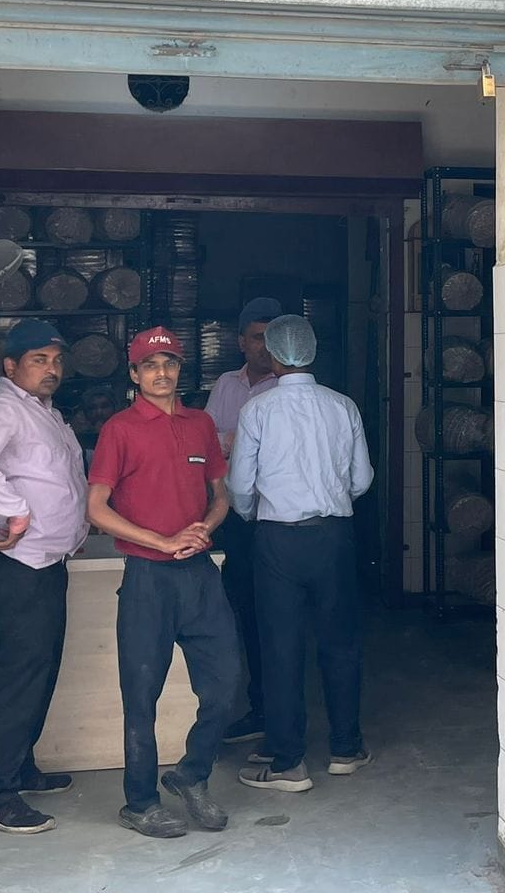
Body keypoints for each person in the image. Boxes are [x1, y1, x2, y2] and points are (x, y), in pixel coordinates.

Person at [87, 326, 241, 839]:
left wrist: (204, 528)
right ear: (134, 374)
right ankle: (140, 802)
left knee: (225, 684)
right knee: (141, 694)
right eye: (150, 365)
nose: (161, 373)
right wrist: (160, 540)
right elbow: (96, 508)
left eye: (169, 363)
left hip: (199, 575)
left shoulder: (201, 424)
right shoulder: (120, 429)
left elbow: (222, 495)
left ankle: (191, 774)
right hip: (147, 578)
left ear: (179, 370)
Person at [227, 314, 375, 793]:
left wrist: (253, 514)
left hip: (278, 540)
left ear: (272, 357)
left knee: (280, 646)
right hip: (333, 536)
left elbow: (239, 485)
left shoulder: (257, 410)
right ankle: (346, 748)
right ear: (312, 353)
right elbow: (361, 479)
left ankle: (288, 760)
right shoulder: (343, 406)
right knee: (340, 642)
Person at [0, 319, 88, 835]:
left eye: (56, 360)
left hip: (49, 562)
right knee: (18, 677)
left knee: (41, 670)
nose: (51, 369)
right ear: (10, 366)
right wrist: (14, 510)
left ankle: (20, 766)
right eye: (39, 360)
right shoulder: (3, 409)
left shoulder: (44, 412)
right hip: (21, 566)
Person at [203, 296, 283, 745]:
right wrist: (238, 439)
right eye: (256, 338)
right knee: (241, 613)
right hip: (234, 515)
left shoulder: (286, 388)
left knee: (274, 616)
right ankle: (257, 708)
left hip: (273, 516)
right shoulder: (226, 385)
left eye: (271, 338)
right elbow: (205, 439)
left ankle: (273, 711)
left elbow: (277, 449)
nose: (264, 347)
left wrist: (233, 441)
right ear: (240, 342)